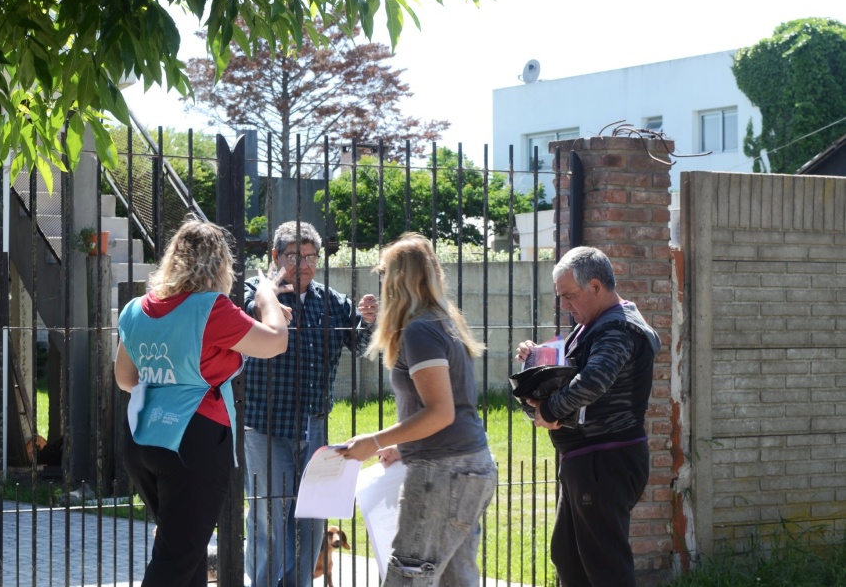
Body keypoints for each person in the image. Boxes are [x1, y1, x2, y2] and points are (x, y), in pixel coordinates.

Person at [114, 218, 290, 587]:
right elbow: (275, 340)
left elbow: (126, 379)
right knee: (174, 563)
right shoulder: (211, 308)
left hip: (143, 438)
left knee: (187, 555)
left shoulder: (135, 309)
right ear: (220, 263)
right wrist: (267, 298)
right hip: (193, 442)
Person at [338, 232, 497, 586]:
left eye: (383, 273)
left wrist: (375, 441)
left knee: (407, 576)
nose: (379, 282)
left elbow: (441, 412)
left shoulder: (420, 331)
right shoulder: (441, 320)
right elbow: (448, 404)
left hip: (444, 472)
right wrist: (402, 444)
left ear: (399, 278)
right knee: (454, 579)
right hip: (468, 466)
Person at [242, 220, 378, 587]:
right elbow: (235, 328)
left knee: (313, 518)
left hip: (313, 426)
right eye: (294, 256)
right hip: (264, 425)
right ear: (275, 256)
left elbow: (365, 347)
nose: (304, 264)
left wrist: (368, 322)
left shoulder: (329, 301)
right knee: (270, 516)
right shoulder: (253, 291)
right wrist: (263, 305)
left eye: (311, 256)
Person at [515, 246, 660, 587]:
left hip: (604, 460)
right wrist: (537, 357)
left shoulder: (617, 329)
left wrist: (549, 412)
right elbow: (574, 370)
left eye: (569, 296)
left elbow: (593, 380)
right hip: (589, 460)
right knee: (568, 557)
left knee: (604, 567)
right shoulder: (597, 324)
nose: (565, 305)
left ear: (596, 287)